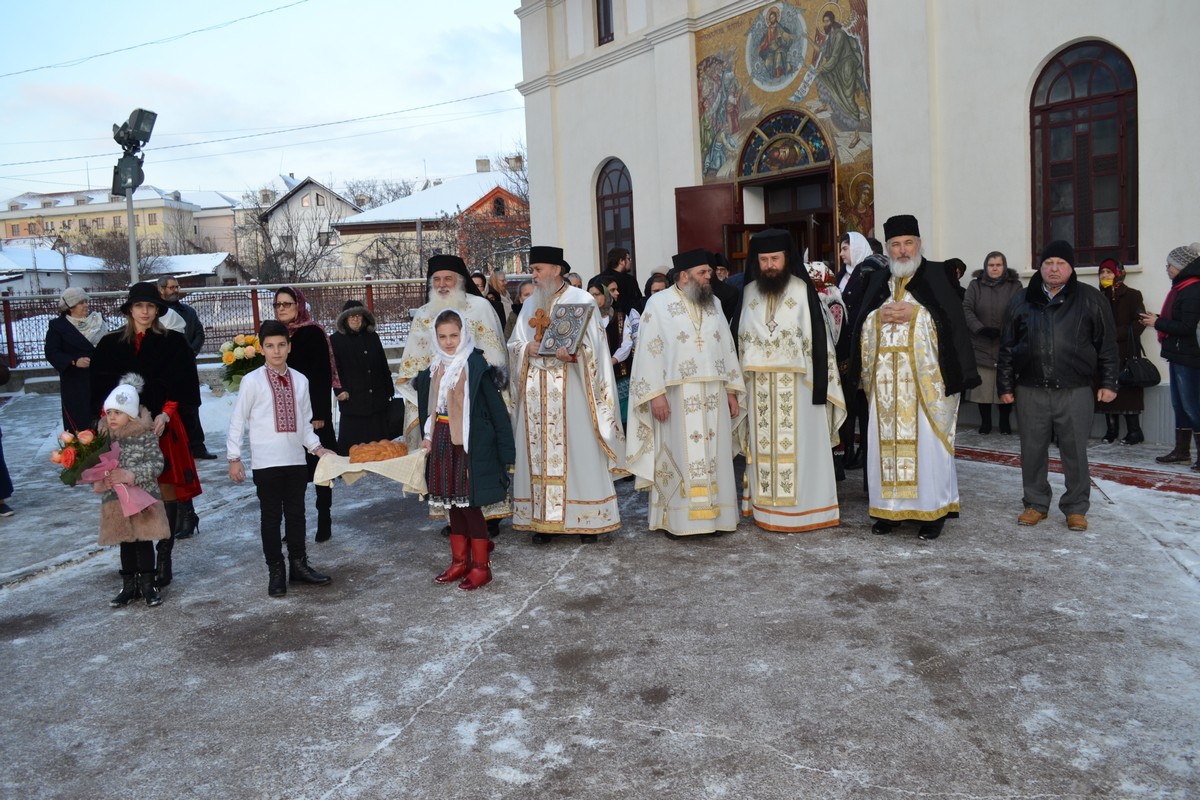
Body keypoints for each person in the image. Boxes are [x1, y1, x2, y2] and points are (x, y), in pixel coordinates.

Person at [858, 215, 980, 541]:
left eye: (907, 243)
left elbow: (954, 326)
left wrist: (920, 315)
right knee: (886, 447)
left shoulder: (938, 276)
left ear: (919, 243)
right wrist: (876, 317)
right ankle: (890, 511)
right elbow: (861, 323)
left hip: (926, 387)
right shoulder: (876, 280)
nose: (901, 250)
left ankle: (933, 512)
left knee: (929, 450)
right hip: (885, 390)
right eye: (895, 245)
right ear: (887, 248)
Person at [997, 240, 1119, 532]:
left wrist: (1109, 382)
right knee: (1033, 449)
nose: (1054, 269)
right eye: (1048, 263)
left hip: (1075, 389)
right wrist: (1005, 384)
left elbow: (1108, 346)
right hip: (1030, 389)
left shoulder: (1090, 299)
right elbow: (1007, 346)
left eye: (1060, 264)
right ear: (1040, 267)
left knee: (1075, 451)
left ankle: (1076, 508)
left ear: (1071, 267)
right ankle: (1035, 504)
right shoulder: (1021, 299)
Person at [508, 245, 625, 543]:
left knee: (579, 454)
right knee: (538, 456)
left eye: (537, 270)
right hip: (536, 394)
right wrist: (526, 349)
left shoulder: (582, 299)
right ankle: (544, 523)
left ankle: (587, 520)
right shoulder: (530, 303)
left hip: (572, 391)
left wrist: (573, 354)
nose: (533, 275)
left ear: (556, 270)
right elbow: (514, 345)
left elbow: (596, 350)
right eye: (532, 270)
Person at [626, 249, 745, 538]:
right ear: (684, 276)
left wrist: (731, 390)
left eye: (709, 272)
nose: (709, 277)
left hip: (714, 396)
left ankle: (718, 517)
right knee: (677, 455)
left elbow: (726, 349)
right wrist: (655, 395)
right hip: (674, 398)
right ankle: (677, 521)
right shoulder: (658, 304)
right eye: (703, 273)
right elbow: (648, 353)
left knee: (715, 457)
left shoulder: (714, 303)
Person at [92, 282, 203, 587]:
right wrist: (109, 422)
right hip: (124, 432)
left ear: (157, 310)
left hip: (162, 426)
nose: (144, 311)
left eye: (150, 306)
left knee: (164, 489)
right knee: (128, 492)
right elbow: (101, 391)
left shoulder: (174, 343)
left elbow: (182, 383)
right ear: (129, 309)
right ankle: (137, 565)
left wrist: (167, 412)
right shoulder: (110, 344)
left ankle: (164, 556)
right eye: (139, 306)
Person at [735, 229, 845, 532]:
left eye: (775, 258)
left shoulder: (802, 291)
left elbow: (821, 344)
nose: (770, 265)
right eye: (764, 259)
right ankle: (765, 512)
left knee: (802, 451)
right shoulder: (747, 293)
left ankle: (809, 511)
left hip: (800, 391)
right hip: (758, 391)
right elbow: (738, 343)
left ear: (787, 259)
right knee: (762, 452)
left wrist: (822, 391)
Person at [395, 255, 510, 537]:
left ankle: (490, 517)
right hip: (441, 405)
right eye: (436, 280)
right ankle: (452, 516)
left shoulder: (480, 307)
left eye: (448, 279)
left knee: (477, 459)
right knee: (447, 463)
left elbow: (495, 354)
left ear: (460, 281)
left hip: (475, 401)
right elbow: (413, 361)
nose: (442, 285)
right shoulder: (424, 314)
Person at [227, 320, 337, 597]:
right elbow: (238, 420)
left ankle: (299, 566)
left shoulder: (300, 381)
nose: (276, 351)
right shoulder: (252, 382)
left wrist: (317, 448)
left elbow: (304, 424)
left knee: (297, 515)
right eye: (269, 346)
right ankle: (275, 570)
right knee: (271, 518)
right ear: (261, 348)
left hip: (295, 461)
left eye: (281, 345)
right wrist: (234, 457)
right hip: (266, 463)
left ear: (289, 347)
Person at [414, 309, 515, 590]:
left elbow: (497, 411)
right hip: (442, 440)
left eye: (454, 335)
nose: (448, 342)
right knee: (452, 506)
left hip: (470, 444)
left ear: (464, 334)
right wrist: (427, 436)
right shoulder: (435, 367)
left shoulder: (475, 366)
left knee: (470, 506)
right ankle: (459, 562)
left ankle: (481, 567)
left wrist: (506, 453)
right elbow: (430, 408)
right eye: (442, 336)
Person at [274, 286, 342, 543]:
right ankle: (294, 525)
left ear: (299, 305)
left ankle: (324, 519)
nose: (282, 308)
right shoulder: (274, 333)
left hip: (311, 414)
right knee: (291, 473)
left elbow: (321, 373)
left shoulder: (312, 332)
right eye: (278, 304)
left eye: (287, 304)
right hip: (284, 416)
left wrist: (320, 413)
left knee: (320, 469)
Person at [96, 374, 172, 608]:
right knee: (125, 543)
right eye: (109, 413)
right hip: (116, 501)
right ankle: (129, 586)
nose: (112, 418)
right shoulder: (104, 439)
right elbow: (98, 466)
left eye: (117, 412)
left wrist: (132, 475)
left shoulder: (144, 436)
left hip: (142, 501)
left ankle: (149, 585)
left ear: (130, 414)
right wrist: (103, 480)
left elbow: (157, 463)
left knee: (143, 541)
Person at [1140, 243, 1200, 469]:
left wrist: (1158, 322)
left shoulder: (1193, 290)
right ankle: (1182, 451)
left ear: (1182, 266)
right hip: (1178, 355)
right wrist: (1158, 318)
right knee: (1180, 405)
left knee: (1192, 406)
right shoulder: (1182, 288)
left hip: (1189, 358)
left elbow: (1186, 326)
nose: (1167, 269)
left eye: (1170, 265)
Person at [834, 232, 887, 469]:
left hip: (863, 346)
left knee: (864, 406)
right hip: (843, 347)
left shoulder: (869, 273)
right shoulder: (839, 276)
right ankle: (849, 449)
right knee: (848, 402)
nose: (842, 253)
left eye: (846, 248)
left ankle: (867, 455)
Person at [963, 251, 1022, 435]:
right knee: (983, 388)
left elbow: (1020, 309)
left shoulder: (1015, 286)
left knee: (1004, 385)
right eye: (991, 265)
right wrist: (980, 328)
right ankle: (986, 422)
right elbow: (966, 308)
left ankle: (1004, 422)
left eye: (998, 265)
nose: (995, 268)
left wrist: (1007, 331)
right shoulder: (975, 285)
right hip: (981, 342)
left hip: (1006, 343)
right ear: (985, 267)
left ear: (1004, 266)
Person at [157, 277, 214, 462]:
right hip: (163, 370)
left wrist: (190, 351)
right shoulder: (154, 312)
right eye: (171, 287)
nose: (175, 290)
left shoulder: (188, 311)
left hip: (187, 366)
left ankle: (197, 447)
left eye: (176, 287)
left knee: (191, 409)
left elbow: (199, 333)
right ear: (161, 289)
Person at [330, 300, 394, 451]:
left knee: (380, 449)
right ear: (344, 319)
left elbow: (383, 364)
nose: (355, 319)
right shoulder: (336, 340)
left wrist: (389, 390)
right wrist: (339, 390)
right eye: (351, 316)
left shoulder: (373, 337)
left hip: (377, 400)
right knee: (352, 450)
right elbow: (334, 368)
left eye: (358, 315)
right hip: (352, 401)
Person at [1096, 258, 1146, 444]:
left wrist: (1113, 334)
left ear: (1118, 274)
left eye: (1109, 272)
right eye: (1102, 273)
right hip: (1105, 354)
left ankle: (1134, 431)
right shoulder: (1098, 296)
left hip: (1126, 352)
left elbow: (1139, 323)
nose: (1105, 276)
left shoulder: (1133, 295)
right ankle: (1111, 430)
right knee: (1106, 387)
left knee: (1127, 392)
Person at [45, 287, 104, 432]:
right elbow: (52, 352)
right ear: (69, 307)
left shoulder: (98, 322)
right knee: (80, 424)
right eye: (81, 302)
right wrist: (73, 361)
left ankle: (107, 453)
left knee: (103, 421)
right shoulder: (58, 326)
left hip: (100, 379)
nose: (86, 305)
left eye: (86, 301)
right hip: (75, 384)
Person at [587, 275, 636, 424]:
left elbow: (626, 344)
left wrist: (611, 361)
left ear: (605, 295)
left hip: (619, 375)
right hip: (593, 375)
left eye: (596, 294)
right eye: (590, 294)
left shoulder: (620, 317)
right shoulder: (585, 319)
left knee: (621, 419)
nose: (593, 298)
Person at [601, 247, 645, 314]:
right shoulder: (629, 280)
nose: (630, 261)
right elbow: (637, 301)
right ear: (621, 261)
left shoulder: (596, 279)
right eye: (628, 259)